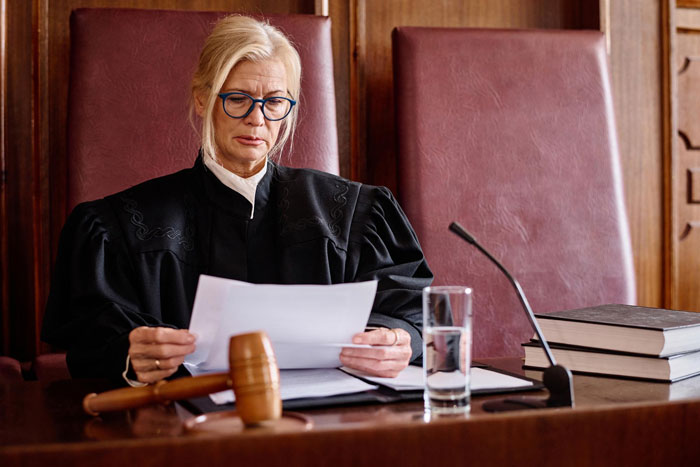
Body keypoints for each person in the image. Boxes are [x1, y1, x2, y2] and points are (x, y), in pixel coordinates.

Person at [41, 15, 432, 386]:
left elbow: (409, 306)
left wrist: (397, 339)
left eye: (275, 102)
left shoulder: (353, 214)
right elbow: (90, 336)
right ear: (202, 99)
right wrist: (130, 352)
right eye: (238, 98)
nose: (257, 119)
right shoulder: (121, 226)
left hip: (324, 432)